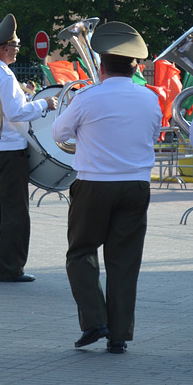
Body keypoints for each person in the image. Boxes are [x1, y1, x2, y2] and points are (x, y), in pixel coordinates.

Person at [52, 22, 161, 354]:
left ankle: (95, 319)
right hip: (136, 186)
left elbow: (58, 134)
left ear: (100, 65)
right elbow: (153, 134)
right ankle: (119, 336)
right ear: (137, 66)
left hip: (94, 184)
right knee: (124, 262)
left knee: (81, 252)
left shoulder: (87, 97)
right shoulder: (150, 98)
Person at [0, 15, 57, 283]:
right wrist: (45, 104)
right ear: (4, 47)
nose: (18, 48)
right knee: (16, 213)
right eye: (16, 44)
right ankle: (11, 268)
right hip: (9, 150)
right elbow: (16, 112)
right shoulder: (4, 75)